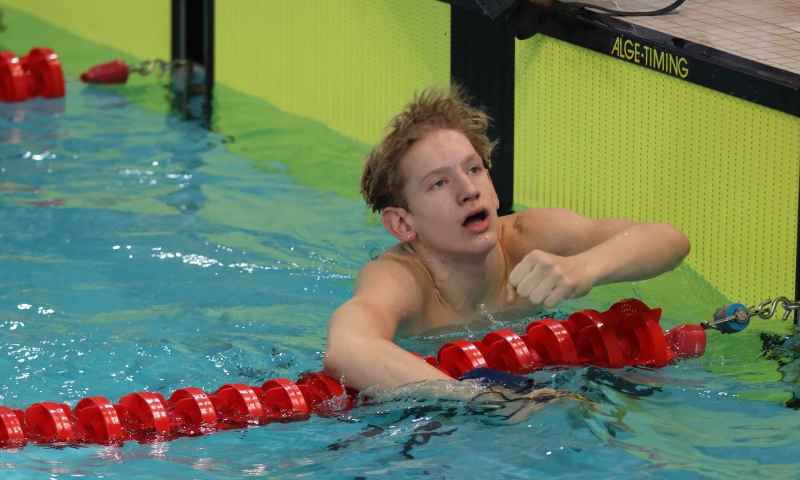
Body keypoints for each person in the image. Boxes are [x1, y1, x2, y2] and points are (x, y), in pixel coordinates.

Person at [324, 86, 690, 393]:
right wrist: (480, 400)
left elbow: (670, 240)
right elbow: (348, 348)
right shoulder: (401, 279)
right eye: (439, 182)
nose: (468, 190)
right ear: (403, 224)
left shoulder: (529, 238)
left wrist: (584, 268)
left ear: (494, 189)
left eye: (473, 169)